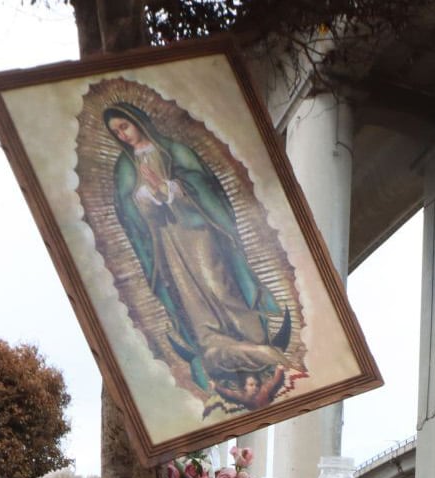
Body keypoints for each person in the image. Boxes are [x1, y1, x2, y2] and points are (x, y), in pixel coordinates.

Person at [102, 102, 292, 407]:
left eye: (124, 126)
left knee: (217, 282)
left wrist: (171, 188)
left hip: (198, 228)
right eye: (116, 133)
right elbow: (127, 211)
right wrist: (144, 198)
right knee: (190, 294)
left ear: (137, 121)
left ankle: (252, 339)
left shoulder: (173, 150)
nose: (123, 135)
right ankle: (214, 344)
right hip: (166, 237)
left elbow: (205, 185)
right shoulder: (125, 167)